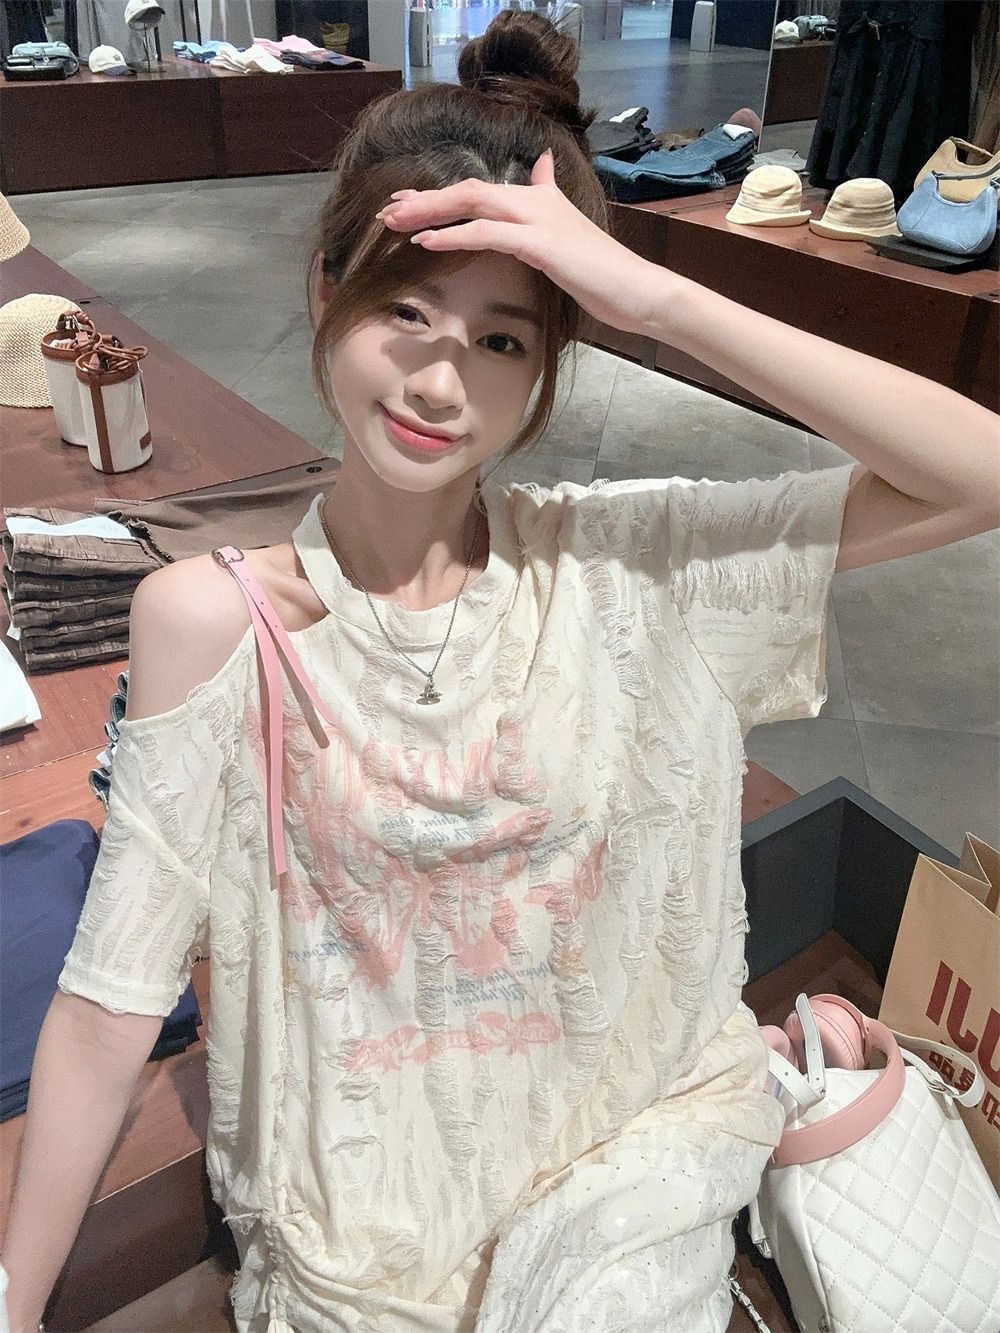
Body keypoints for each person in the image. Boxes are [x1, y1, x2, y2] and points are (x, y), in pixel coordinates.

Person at [2, 11, 997, 1333]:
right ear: (326, 292)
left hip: (620, 1197)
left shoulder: (631, 565)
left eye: (504, 340)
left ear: (545, 374)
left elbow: (979, 472)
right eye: (405, 310)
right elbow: (109, 995)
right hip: (364, 1246)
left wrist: (655, 295)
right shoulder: (217, 623)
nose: (440, 381)